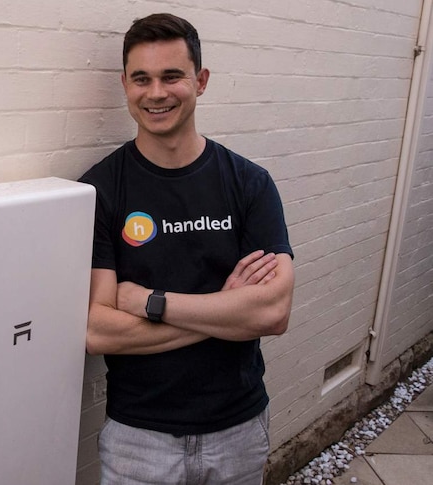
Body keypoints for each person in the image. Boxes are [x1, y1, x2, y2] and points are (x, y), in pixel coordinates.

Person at [77, 13, 295, 485]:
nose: (156, 93)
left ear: (201, 81)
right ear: (125, 85)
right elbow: (96, 330)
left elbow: (273, 312)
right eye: (142, 79)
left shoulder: (250, 184)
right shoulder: (99, 191)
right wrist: (227, 313)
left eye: (172, 76)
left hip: (238, 429)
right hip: (138, 438)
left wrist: (150, 303)